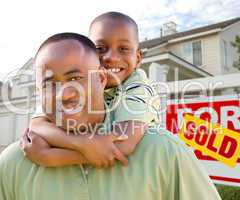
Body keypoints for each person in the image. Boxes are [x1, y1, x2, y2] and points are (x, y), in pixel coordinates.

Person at [0, 33, 221, 200]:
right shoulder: (13, 164)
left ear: (102, 79)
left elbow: (120, 145)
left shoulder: (163, 152)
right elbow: (38, 122)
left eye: (76, 77)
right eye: (49, 85)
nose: (64, 94)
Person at [26, 12, 160, 168]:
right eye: (100, 48)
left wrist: (49, 157)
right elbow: (37, 125)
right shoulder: (83, 84)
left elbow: (123, 144)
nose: (111, 57)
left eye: (123, 48)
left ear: (138, 58)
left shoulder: (138, 87)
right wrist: (80, 143)